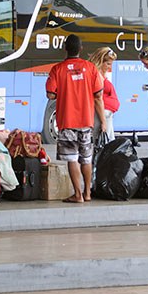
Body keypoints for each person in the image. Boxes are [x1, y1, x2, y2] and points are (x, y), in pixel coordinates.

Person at [45, 34, 105, 204]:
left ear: (65, 49)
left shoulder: (58, 69)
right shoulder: (90, 68)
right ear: (81, 49)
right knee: (86, 158)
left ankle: (77, 194)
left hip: (67, 121)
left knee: (72, 158)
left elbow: (50, 94)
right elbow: (98, 93)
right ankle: (87, 193)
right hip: (86, 120)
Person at [88, 47, 119, 142]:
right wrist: (103, 122)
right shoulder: (97, 76)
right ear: (100, 61)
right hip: (100, 114)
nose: (110, 67)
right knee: (106, 141)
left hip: (105, 114)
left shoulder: (100, 74)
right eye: (108, 64)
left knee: (108, 141)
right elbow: (97, 99)